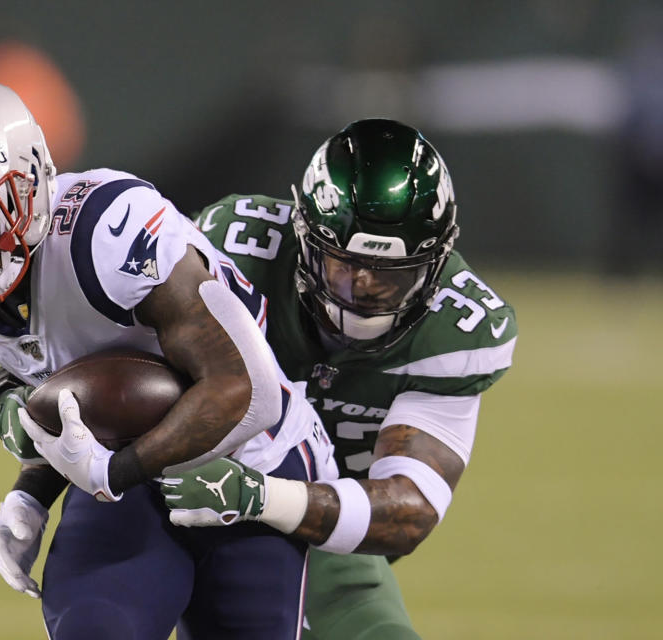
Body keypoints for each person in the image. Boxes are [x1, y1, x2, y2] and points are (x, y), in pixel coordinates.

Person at [0, 75, 335, 640]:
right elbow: (79, 387)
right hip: (125, 486)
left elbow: (248, 392)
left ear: (29, 178)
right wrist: (31, 494)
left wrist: (110, 471)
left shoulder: (107, 231)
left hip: (251, 467)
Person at [157, 119, 518, 638]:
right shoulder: (232, 251)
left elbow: (409, 510)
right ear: (304, 239)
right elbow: (115, 355)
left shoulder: (454, 332)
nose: (363, 288)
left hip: (321, 528)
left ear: (436, 263)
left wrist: (261, 497)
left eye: (391, 272)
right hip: (177, 498)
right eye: (345, 265)